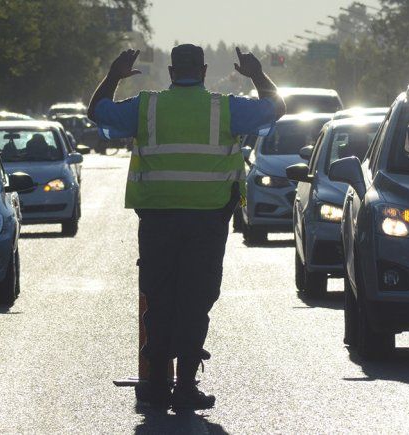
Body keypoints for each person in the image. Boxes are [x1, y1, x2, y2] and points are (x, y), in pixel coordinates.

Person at [87, 44, 285, 411]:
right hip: (208, 221)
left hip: (158, 219)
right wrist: (257, 74)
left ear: (173, 71)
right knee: (195, 302)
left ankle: (159, 384)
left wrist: (113, 75)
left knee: (160, 300)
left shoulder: (147, 107)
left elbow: (97, 113)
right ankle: (186, 387)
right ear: (204, 70)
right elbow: (276, 109)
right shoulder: (225, 108)